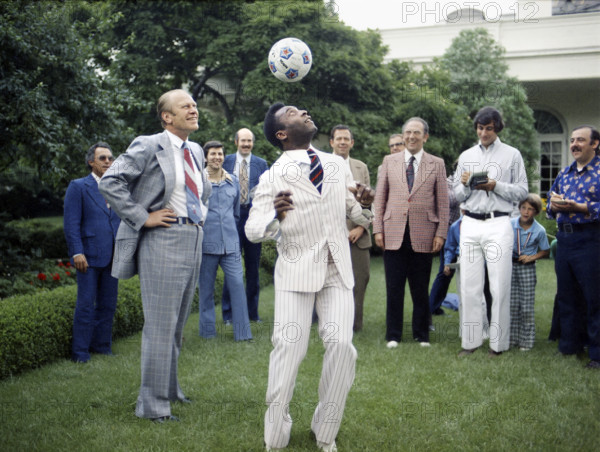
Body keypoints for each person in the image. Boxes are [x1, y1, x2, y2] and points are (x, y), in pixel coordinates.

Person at [246, 103, 374, 451]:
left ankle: (326, 431)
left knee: (342, 347)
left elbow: (357, 212)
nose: (303, 110)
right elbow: (253, 229)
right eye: (291, 111)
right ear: (281, 134)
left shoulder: (335, 165)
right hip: (295, 272)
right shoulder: (272, 177)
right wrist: (275, 215)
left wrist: (367, 203)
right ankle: (275, 436)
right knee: (288, 349)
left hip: (337, 270)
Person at [99, 89, 211, 422]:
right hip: (162, 239)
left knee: (175, 326)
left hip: (193, 236)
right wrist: (141, 216)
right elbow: (111, 181)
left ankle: (170, 390)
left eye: (194, 104)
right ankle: (151, 406)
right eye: (185, 106)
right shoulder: (148, 144)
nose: (193, 109)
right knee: (160, 326)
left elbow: (196, 192)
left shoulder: (196, 150)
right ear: (167, 116)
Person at [453, 106, 528, 357]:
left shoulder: (512, 155)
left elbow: (521, 192)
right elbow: (457, 194)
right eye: (480, 128)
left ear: (497, 129)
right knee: (469, 286)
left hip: (499, 222)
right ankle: (471, 342)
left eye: (488, 128)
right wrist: (465, 184)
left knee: (499, 285)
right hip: (471, 223)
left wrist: (495, 186)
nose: (483, 132)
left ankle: (498, 345)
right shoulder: (465, 156)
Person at [373, 117, 449, 348]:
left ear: (425, 136)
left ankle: (421, 334)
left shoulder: (437, 163)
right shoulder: (389, 161)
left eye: (416, 132)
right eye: (407, 132)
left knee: (420, 287)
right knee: (394, 287)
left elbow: (443, 203)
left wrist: (441, 233)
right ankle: (393, 334)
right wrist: (377, 229)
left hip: (424, 233)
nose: (411, 137)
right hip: (393, 231)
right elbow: (380, 198)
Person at [547, 125, 600, 369]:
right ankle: (569, 345)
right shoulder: (564, 173)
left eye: (581, 140)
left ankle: (596, 354)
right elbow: (549, 201)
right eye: (572, 140)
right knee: (567, 296)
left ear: (595, 144)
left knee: (594, 298)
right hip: (565, 240)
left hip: (590, 239)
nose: (574, 144)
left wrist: (582, 208)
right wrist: (554, 206)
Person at [64, 142, 121, 363]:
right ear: (91, 162)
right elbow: (71, 224)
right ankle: (80, 353)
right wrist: (77, 252)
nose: (108, 161)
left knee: (108, 305)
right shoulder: (78, 187)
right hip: (87, 257)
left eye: (110, 158)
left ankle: (102, 346)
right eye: (103, 158)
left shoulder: (116, 188)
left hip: (113, 256)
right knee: (86, 305)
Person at [198, 141, 252, 342]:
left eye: (220, 154)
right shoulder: (198, 181)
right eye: (213, 154)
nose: (217, 157)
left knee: (238, 286)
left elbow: (236, 214)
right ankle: (207, 333)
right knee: (206, 290)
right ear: (206, 157)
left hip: (231, 244)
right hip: (206, 244)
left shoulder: (233, 181)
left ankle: (243, 333)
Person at [222, 128, 269, 323]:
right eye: (243, 141)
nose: (246, 144)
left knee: (252, 268)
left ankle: (252, 313)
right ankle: (228, 313)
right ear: (236, 142)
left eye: (249, 141)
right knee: (231, 267)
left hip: (253, 218)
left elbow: (268, 191)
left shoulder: (261, 164)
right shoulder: (226, 162)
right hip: (232, 218)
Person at [330, 124, 372, 332]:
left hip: (357, 234)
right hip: (331, 234)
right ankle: (332, 323)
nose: (343, 142)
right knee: (330, 282)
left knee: (360, 279)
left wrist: (361, 228)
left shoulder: (361, 167)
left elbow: (368, 202)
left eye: (346, 139)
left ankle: (355, 325)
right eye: (339, 139)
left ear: (352, 143)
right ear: (332, 142)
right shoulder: (322, 165)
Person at [509, 194, 550, 351]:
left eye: (531, 209)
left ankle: (526, 341)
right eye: (524, 208)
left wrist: (532, 256)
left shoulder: (539, 230)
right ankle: (512, 338)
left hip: (527, 268)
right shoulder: (511, 224)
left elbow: (545, 251)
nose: (526, 212)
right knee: (512, 305)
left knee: (526, 305)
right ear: (519, 208)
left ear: (536, 212)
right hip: (511, 266)